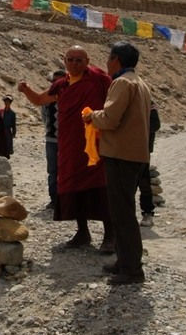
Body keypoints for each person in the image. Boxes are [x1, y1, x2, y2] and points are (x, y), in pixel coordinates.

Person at [18, 46, 114, 252]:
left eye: (79, 60)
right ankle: (82, 232)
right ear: (64, 61)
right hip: (70, 144)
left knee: (100, 185)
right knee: (73, 184)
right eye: (70, 59)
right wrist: (26, 90)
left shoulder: (99, 79)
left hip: (94, 143)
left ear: (88, 61)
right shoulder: (61, 85)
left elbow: (113, 102)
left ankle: (109, 235)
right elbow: (40, 100)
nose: (74, 63)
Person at [83, 41, 151, 285]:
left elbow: (110, 119)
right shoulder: (139, 82)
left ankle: (132, 269)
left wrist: (92, 116)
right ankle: (124, 260)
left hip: (121, 155)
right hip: (134, 154)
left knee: (122, 214)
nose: (107, 63)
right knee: (123, 210)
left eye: (109, 58)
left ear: (116, 60)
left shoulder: (122, 83)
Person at [42, 69, 66, 208]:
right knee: (52, 171)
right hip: (52, 140)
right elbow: (44, 117)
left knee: (67, 170)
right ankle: (54, 199)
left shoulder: (72, 96)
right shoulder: (47, 98)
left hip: (67, 141)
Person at [138, 102, 161, 227]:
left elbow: (155, 125)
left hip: (142, 149)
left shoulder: (147, 102)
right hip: (122, 149)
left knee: (144, 182)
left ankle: (147, 212)